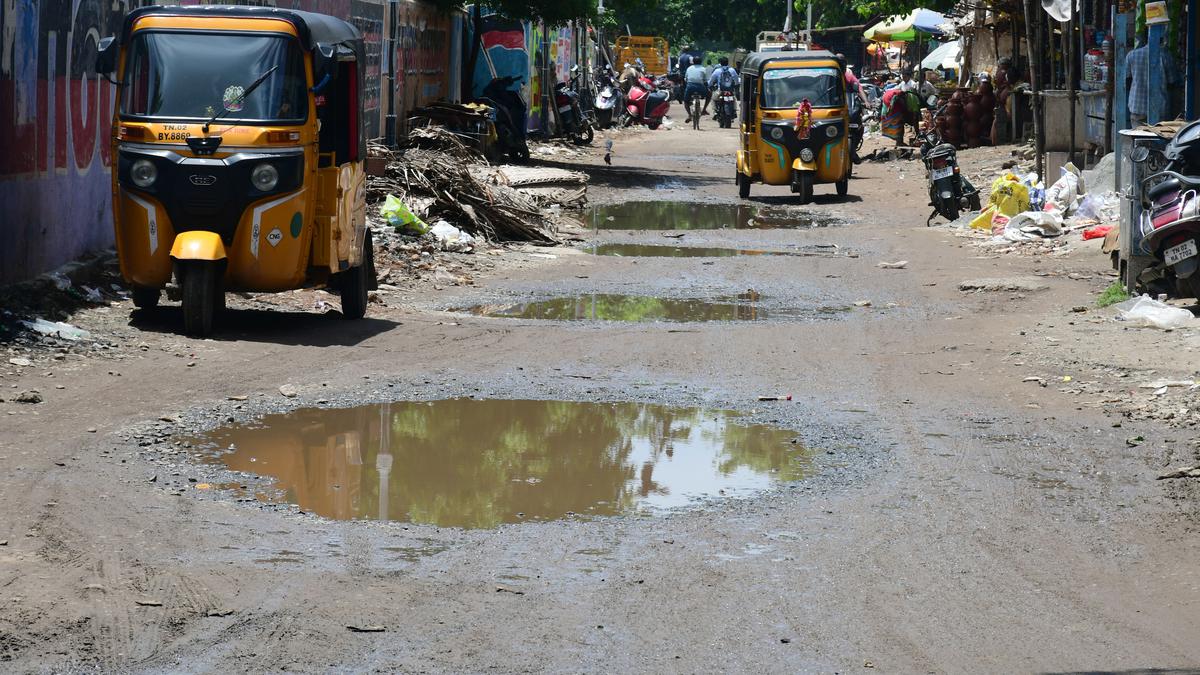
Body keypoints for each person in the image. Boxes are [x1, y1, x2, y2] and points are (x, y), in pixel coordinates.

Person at [683, 58, 708, 123]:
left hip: (690, 87)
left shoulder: (689, 68)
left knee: (686, 101)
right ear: (701, 62)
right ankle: (704, 109)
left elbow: (685, 79)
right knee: (709, 94)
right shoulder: (703, 68)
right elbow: (705, 80)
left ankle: (689, 115)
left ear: (693, 62)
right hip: (700, 87)